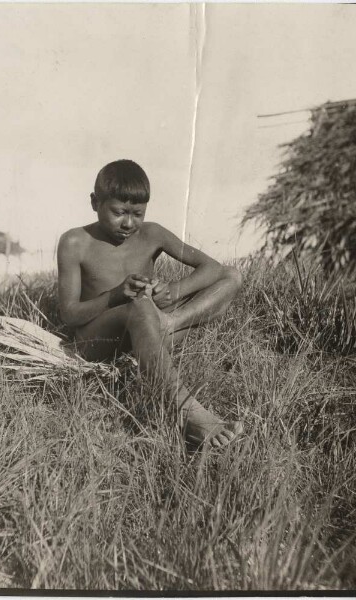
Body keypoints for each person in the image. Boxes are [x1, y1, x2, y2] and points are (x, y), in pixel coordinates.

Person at [58, 159, 242, 449]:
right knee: (141, 307)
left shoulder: (152, 233)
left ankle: (169, 324)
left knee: (233, 276)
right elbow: (69, 315)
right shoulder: (74, 242)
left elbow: (213, 267)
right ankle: (185, 410)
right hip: (96, 341)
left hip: (150, 328)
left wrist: (173, 292)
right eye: (118, 212)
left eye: (137, 214)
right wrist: (116, 295)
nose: (129, 223)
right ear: (95, 202)